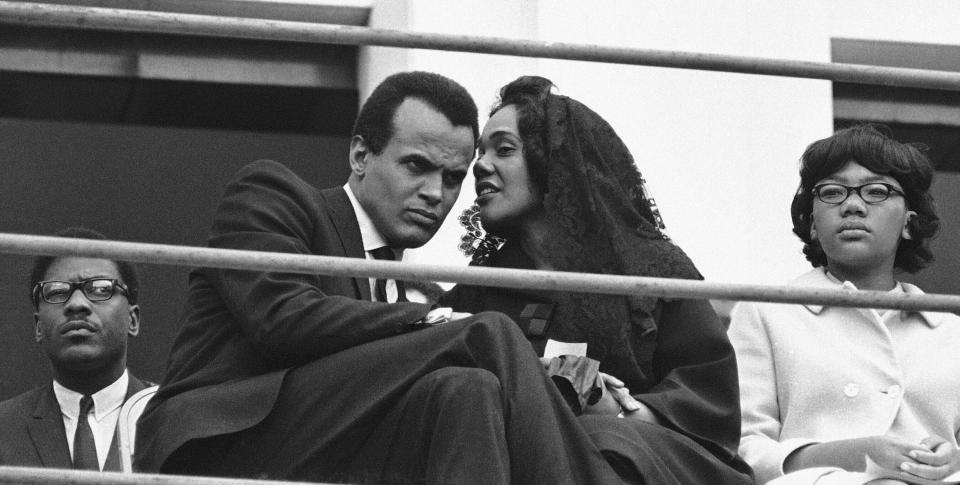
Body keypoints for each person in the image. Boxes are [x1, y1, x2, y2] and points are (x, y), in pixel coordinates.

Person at [135, 71, 622, 484]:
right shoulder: (273, 193)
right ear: (361, 156)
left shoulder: (416, 287)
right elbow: (281, 320)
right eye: (417, 166)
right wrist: (435, 322)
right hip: (226, 442)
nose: (435, 193)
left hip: (345, 450)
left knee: (467, 388)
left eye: (453, 178)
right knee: (487, 331)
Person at [442, 76, 753, 485]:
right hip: (523, 463)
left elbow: (709, 398)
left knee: (598, 437)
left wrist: (617, 408)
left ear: (554, 160)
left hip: (649, 462)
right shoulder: (482, 284)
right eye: (480, 153)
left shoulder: (651, 269)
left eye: (503, 149)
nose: (480, 165)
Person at [728, 124, 960, 485]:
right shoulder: (767, 312)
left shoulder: (950, 330)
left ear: (909, 224)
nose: (852, 205)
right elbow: (740, 447)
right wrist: (853, 455)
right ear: (813, 225)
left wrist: (954, 460)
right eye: (833, 192)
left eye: (877, 191)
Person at [0, 226, 151, 471]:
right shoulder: (4, 427)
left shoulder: (171, 420)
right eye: (57, 292)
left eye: (101, 289)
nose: (77, 304)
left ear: (132, 320)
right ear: (38, 326)